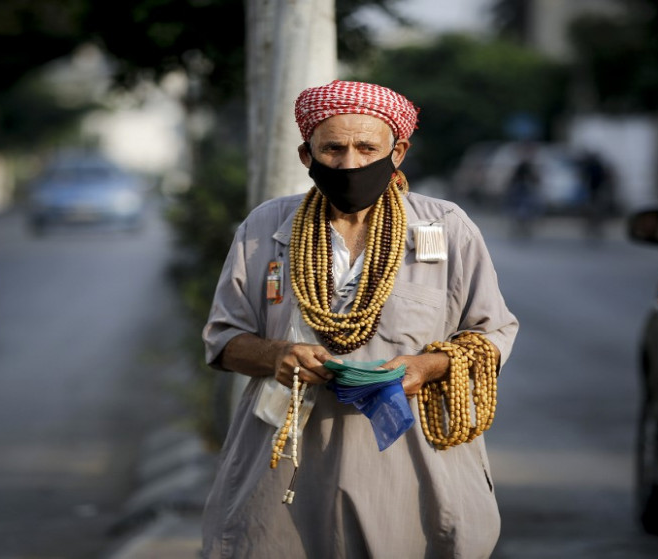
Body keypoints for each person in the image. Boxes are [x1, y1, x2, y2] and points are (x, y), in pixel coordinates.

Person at [201, 80, 519, 558]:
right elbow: (223, 340)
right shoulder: (264, 228)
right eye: (333, 149)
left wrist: (425, 367)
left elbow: (493, 333)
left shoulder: (447, 227)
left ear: (399, 152)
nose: (350, 163)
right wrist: (278, 355)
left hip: (412, 464)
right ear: (307, 156)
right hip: (285, 469)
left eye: (367, 147)